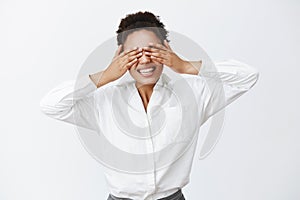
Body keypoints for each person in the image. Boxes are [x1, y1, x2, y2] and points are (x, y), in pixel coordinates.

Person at [40, 11, 259, 200]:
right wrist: (105, 76)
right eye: (134, 53)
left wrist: (185, 65)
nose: (145, 61)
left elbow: (247, 76)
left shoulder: (193, 94)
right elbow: (51, 105)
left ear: (166, 49)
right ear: (120, 56)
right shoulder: (103, 101)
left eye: (152, 50)